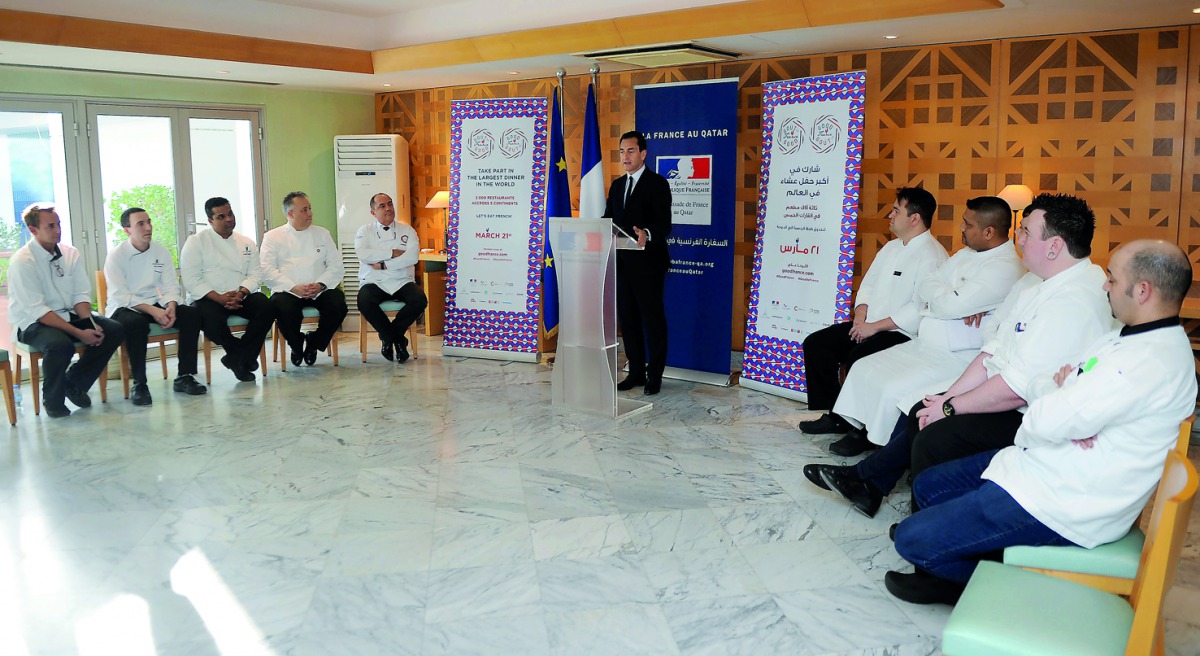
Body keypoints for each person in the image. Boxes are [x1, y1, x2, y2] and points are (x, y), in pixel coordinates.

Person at [885, 239, 1197, 605]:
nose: (1104, 285)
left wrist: (1059, 402)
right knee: (930, 486)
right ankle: (972, 554)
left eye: (1112, 279)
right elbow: (1048, 387)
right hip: (1047, 466)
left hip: (1066, 502)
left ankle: (1008, 589)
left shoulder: (1147, 362)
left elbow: (1039, 421)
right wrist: (1064, 403)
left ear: (1142, 290)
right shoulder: (1126, 338)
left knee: (910, 538)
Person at [807, 193, 1115, 518]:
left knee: (933, 434)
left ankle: (922, 531)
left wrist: (950, 407)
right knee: (921, 408)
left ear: (1053, 246)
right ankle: (871, 486)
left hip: (1033, 415)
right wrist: (946, 400)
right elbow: (992, 344)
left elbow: (1015, 386)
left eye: (1025, 231)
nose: (1017, 238)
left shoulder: (1071, 300)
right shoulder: (1034, 281)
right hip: (1004, 384)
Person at [823, 196, 1025, 455]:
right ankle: (859, 428)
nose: (961, 228)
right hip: (925, 344)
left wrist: (946, 300)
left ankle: (875, 440)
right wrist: (952, 297)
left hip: (955, 354)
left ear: (988, 231)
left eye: (967, 224)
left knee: (892, 385)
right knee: (864, 367)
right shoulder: (965, 254)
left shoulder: (1005, 267)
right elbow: (927, 286)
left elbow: (947, 304)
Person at [798, 187, 947, 445]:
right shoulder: (890, 248)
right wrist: (860, 317)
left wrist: (874, 328)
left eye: (896, 210)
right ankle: (838, 415)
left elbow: (918, 308)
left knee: (859, 358)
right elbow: (867, 285)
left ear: (915, 218)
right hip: (868, 325)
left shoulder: (932, 255)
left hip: (900, 333)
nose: (890, 215)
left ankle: (864, 430)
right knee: (817, 344)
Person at [8, 204, 124, 418]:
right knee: (60, 345)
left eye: (59, 224)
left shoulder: (70, 254)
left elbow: (80, 295)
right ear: (33, 231)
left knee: (113, 329)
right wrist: (79, 333)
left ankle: (74, 383)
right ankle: (53, 400)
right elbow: (38, 310)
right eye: (50, 226)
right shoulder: (22, 262)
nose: (57, 230)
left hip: (66, 313)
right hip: (32, 321)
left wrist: (89, 324)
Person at [105, 207, 207, 405]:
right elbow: (121, 294)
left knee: (192, 315)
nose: (148, 227)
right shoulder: (117, 256)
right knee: (135, 324)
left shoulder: (160, 251)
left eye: (149, 222)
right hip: (123, 307)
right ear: (127, 230)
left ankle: (184, 376)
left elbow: (170, 285)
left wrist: (171, 306)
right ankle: (140, 383)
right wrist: (154, 311)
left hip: (154, 301)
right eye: (140, 224)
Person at [603, 130, 672, 395]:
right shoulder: (618, 185)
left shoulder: (658, 184)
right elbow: (609, 219)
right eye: (622, 151)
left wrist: (648, 234)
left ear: (643, 153)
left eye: (630, 151)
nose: (625, 156)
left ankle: (654, 375)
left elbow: (664, 224)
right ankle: (636, 373)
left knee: (652, 320)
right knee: (629, 320)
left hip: (649, 265)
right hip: (622, 264)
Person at [180, 197, 275, 382]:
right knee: (208, 318)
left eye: (230, 213)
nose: (229, 219)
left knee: (267, 306)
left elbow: (256, 274)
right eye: (221, 216)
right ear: (210, 220)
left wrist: (241, 293)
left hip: (240, 295)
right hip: (209, 296)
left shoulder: (246, 242)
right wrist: (219, 298)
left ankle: (237, 359)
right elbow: (191, 279)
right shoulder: (196, 242)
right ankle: (241, 356)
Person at [260, 191, 347, 367]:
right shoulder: (272, 237)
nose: (310, 213)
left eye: (310, 208)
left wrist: (320, 284)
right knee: (281, 307)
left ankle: (314, 343)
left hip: (319, 289)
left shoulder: (322, 234)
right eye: (304, 210)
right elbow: (266, 270)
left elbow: (336, 266)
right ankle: (296, 345)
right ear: (290, 214)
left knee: (338, 304)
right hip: (289, 290)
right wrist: (293, 287)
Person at [354, 192, 426, 362]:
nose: (388, 209)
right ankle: (398, 340)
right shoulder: (365, 231)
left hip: (401, 280)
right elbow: (363, 254)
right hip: (374, 280)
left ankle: (389, 337)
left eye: (390, 204)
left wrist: (385, 264)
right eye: (382, 206)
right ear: (373, 212)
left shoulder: (407, 230)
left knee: (420, 300)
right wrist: (392, 253)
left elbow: (412, 257)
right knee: (364, 300)